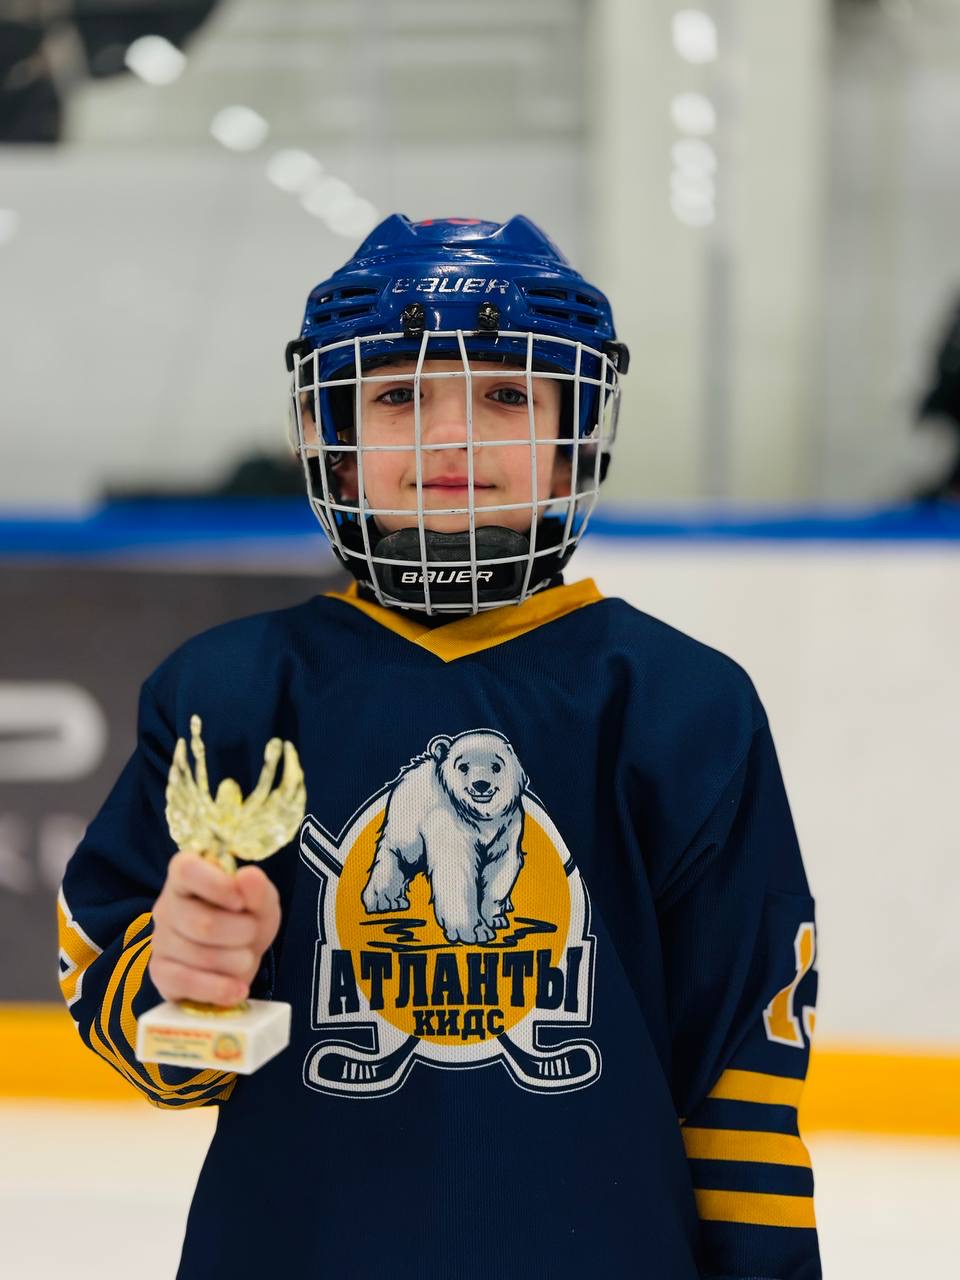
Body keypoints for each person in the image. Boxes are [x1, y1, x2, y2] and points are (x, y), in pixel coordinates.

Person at [58, 214, 821, 1279]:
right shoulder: (228, 691)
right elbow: (159, 1041)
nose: (451, 436)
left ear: (574, 432)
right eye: (398, 396)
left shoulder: (682, 704)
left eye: (506, 394)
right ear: (332, 435)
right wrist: (184, 989)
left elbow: (742, 1069)